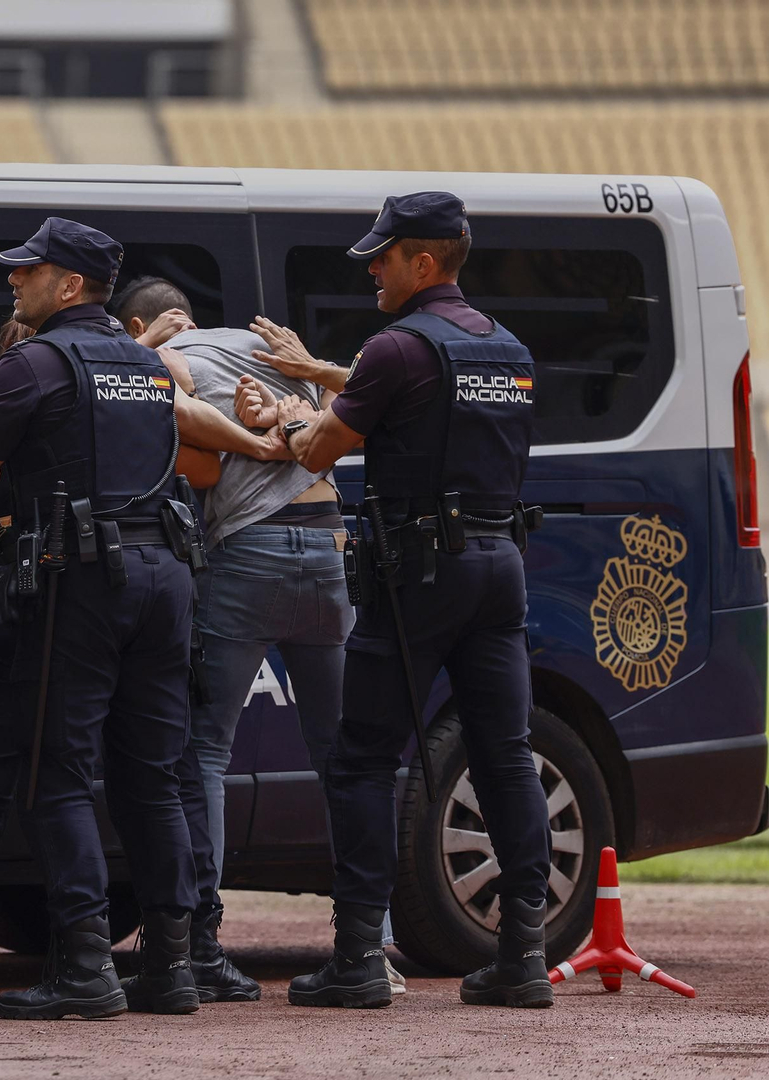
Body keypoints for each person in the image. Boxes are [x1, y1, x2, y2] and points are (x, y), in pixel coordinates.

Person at [0, 217, 277, 1021]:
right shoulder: (141, 364)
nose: (13, 281)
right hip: (166, 577)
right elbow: (192, 428)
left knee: (57, 774)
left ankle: (83, 962)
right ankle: (172, 965)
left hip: (79, 580)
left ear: (67, 285)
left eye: (26, 272)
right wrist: (261, 440)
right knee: (154, 776)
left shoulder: (35, 362)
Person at [258, 192, 552, 1009]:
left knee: (362, 759)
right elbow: (424, 407)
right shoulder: (508, 348)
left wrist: (289, 419)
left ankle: (357, 957)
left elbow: (322, 448)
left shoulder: (396, 346)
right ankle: (522, 955)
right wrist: (323, 375)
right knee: (503, 752)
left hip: (419, 572)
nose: (372, 272)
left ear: (423, 262)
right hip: (500, 563)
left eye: (382, 259)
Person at [111, 276, 404, 994]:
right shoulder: (268, 346)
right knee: (347, 757)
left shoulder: (159, 357)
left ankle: (199, 942)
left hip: (248, 549)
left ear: (139, 322)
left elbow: (181, 441)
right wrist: (293, 407)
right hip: (329, 542)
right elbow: (354, 405)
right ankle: (371, 946)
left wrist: (145, 350)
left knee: (204, 749)